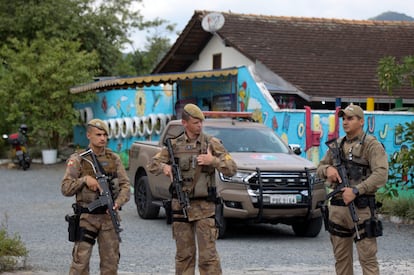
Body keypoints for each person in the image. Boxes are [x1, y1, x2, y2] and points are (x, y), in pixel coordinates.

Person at [147, 103, 237, 275]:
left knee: (208, 258)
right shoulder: (174, 145)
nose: (200, 126)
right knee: (184, 256)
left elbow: (232, 168)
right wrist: (165, 168)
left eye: (201, 122)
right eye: (196, 122)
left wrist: (214, 161)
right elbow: (152, 163)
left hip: (205, 208)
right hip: (180, 207)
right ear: (185, 123)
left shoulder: (211, 143)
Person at [317, 104, 388, 275]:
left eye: (350, 118)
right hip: (338, 210)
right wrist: (328, 170)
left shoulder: (371, 145)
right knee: (341, 261)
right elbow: (320, 167)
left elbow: (381, 174)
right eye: (343, 118)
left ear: (361, 121)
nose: (345, 122)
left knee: (368, 260)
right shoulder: (337, 145)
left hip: (361, 210)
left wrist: (356, 190)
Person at [61, 119, 130, 275]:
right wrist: (84, 180)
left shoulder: (114, 158)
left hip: (108, 219)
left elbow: (126, 186)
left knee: (111, 263)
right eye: (98, 134)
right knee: (80, 264)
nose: (102, 138)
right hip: (86, 217)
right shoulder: (79, 159)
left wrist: (118, 202)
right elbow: (65, 188)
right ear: (88, 135)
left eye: (105, 135)